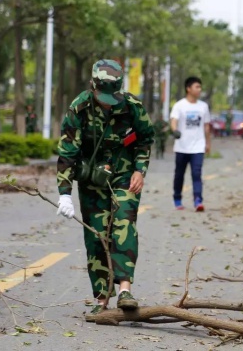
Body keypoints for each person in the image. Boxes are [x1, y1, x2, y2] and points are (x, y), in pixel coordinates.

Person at [56, 59, 155, 321]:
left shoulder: (132, 106)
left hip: (124, 176)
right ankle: (102, 298)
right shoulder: (79, 107)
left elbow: (146, 139)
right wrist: (64, 192)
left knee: (123, 223)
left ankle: (125, 291)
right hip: (91, 179)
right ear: (93, 85)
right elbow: (68, 151)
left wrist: (139, 170)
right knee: (97, 236)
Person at [170, 76, 211, 211]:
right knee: (179, 174)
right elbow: (174, 120)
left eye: (200, 87)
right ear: (188, 89)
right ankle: (177, 198)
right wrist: (175, 130)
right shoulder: (179, 105)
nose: (199, 89)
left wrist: (208, 143)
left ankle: (198, 200)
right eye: (197, 87)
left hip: (198, 146)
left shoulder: (203, 106)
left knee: (196, 173)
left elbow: (206, 126)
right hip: (182, 146)